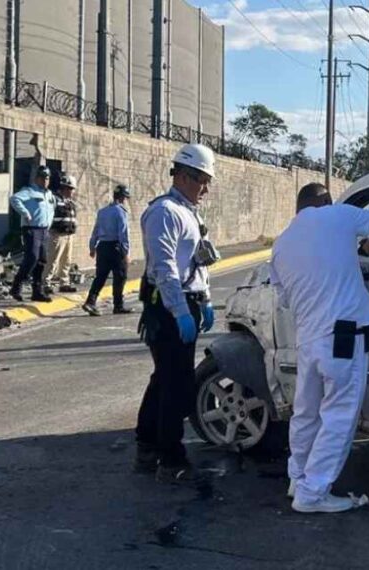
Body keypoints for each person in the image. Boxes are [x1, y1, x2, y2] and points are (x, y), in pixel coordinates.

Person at [270, 182, 369, 514]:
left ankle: (298, 479)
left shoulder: (281, 245)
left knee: (306, 413)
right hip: (343, 336)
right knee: (338, 416)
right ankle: (314, 493)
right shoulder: (338, 215)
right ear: (325, 201)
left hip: (308, 339)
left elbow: (283, 298)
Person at [135, 144, 219, 484]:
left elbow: (197, 260)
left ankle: (147, 445)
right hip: (169, 305)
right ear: (184, 176)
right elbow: (165, 268)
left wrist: (206, 299)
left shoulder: (189, 212)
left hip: (188, 302)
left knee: (165, 378)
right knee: (176, 384)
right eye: (202, 180)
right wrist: (181, 311)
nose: (206, 188)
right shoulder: (165, 212)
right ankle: (170, 457)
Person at [83, 184, 134, 316]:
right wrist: (126, 251)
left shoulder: (102, 211)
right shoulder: (120, 212)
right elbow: (123, 233)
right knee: (120, 277)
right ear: (123, 198)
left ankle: (90, 301)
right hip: (116, 247)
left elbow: (96, 230)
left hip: (103, 246)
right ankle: (118, 305)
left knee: (100, 276)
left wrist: (92, 247)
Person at [8, 165, 56, 302]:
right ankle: (16, 286)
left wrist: (49, 224)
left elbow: (51, 210)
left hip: (44, 230)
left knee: (42, 260)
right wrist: (25, 213)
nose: (45, 181)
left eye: (47, 178)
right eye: (42, 178)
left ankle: (37, 291)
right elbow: (14, 199)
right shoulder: (29, 191)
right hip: (31, 228)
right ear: (37, 179)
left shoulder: (49, 194)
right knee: (32, 258)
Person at [45, 173, 79, 293]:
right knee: (53, 259)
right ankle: (46, 283)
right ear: (64, 188)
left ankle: (64, 283)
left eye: (72, 189)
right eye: (70, 189)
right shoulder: (55, 200)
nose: (72, 191)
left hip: (68, 235)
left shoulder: (70, 202)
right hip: (57, 234)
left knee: (67, 260)